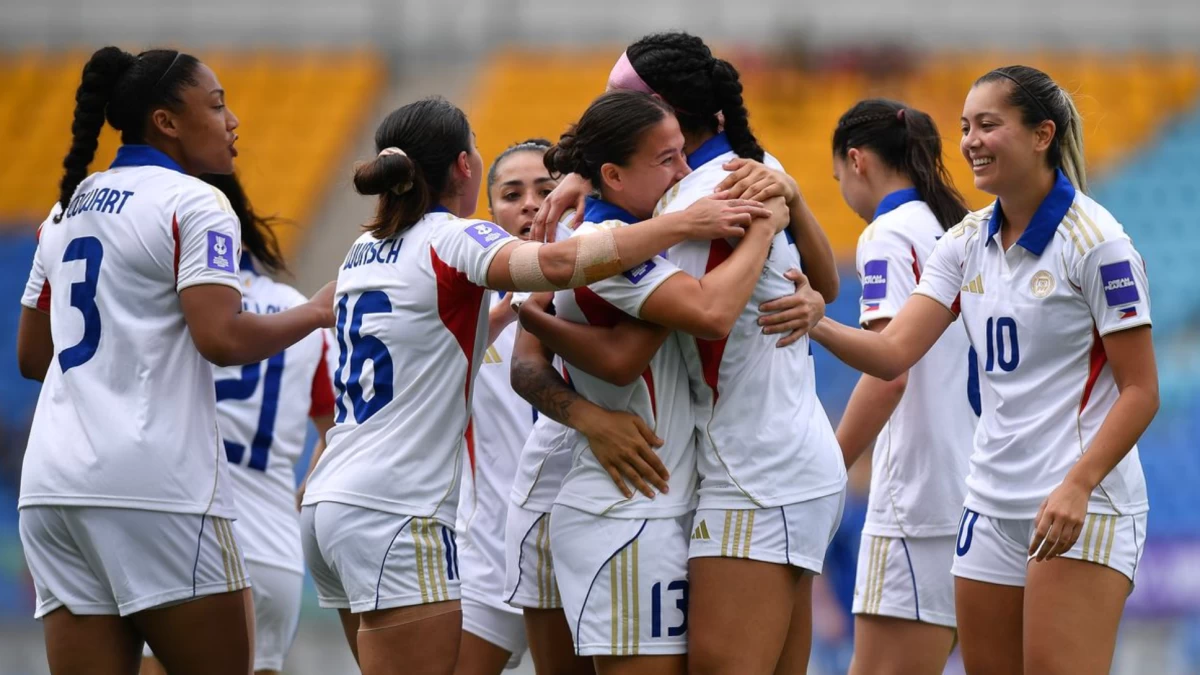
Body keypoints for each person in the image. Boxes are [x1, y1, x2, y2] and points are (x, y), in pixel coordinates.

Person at [297, 95, 774, 675]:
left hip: (329, 500)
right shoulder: (452, 237)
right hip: (396, 507)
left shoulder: (360, 251)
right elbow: (553, 266)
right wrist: (680, 222)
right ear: (466, 166)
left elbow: (463, 329)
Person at [808, 65, 1157, 675]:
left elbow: (1140, 390)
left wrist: (1079, 484)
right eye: (965, 126)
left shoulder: (1098, 242)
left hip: (1081, 502)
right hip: (988, 506)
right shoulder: (965, 241)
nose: (969, 140)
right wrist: (815, 319)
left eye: (988, 125)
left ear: (1043, 134)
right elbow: (892, 355)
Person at [16, 46, 335, 675]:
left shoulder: (65, 209)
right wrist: (317, 312)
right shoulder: (194, 202)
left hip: (52, 488)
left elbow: (32, 356)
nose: (232, 120)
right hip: (157, 490)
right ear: (166, 121)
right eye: (216, 105)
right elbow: (221, 338)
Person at [514, 88, 789, 675]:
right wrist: (764, 229)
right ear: (613, 173)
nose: (686, 171)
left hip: (647, 500)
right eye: (668, 160)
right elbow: (694, 321)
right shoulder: (606, 249)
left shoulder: (625, 232)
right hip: (625, 509)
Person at [139, 172, 337, 675]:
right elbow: (335, 432)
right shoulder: (301, 312)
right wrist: (299, 497)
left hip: (188, 537)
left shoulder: (174, 306)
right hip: (274, 548)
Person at [828, 98, 977, 675]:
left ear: (858, 161)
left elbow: (889, 369)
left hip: (919, 496)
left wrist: (830, 464)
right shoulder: (955, 227)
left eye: (837, 175)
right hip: (969, 486)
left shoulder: (890, 233)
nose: (841, 186)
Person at [454, 138, 557, 675]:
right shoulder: (466, 310)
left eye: (545, 188)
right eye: (512, 194)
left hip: (583, 547)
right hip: (488, 561)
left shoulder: (614, 293)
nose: (530, 204)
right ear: (491, 213)